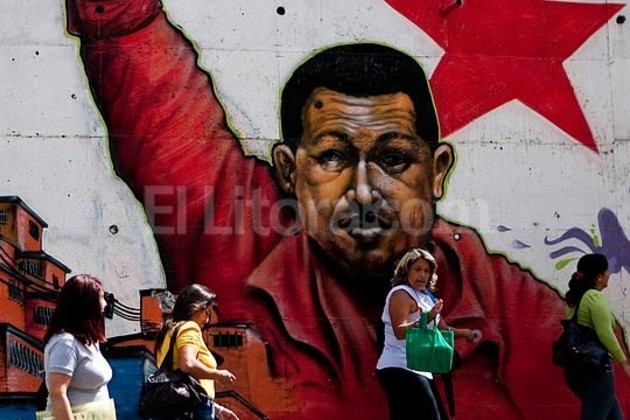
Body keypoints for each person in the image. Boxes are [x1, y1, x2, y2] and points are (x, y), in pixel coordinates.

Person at [63, 1, 630, 418]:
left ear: (437, 170)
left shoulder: (511, 307)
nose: (363, 190)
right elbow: (146, 77)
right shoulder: (235, 233)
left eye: (393, 158)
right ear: (288, 170)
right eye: (333, 156)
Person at [376, 248, 481, 420]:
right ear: (406, 271)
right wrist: (427, 318)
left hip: (419, 368)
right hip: (399, 367)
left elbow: (442, 329)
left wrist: (465, 333)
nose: (422, 275)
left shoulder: (426, 297)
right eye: (417, 269)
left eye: (426, 271)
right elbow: (400, 331)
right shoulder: (401, 294)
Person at [153, 284, 238, 420]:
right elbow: (188, 364)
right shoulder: (189, 327)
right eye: (206, 313)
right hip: (193, 410)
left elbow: (180, 377)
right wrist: (218, 375)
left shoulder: (168, 331)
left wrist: (215, 408)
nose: (207, 320)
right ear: (195, 307)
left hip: (177, 407)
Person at [562, 254, 630, 419]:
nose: (609, 275)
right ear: (599, 276)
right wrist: (624, 362)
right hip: (595, 370)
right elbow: (605, 333)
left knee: (615, 416)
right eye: (606, 271)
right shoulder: (594, 297)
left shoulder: (575, 298)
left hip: (575, 370)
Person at [43, 274, 115, 419]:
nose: (105, 304)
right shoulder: (66, 343)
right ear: (87, 304)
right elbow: (57, 393)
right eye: (101, 298)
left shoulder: (90, 341)